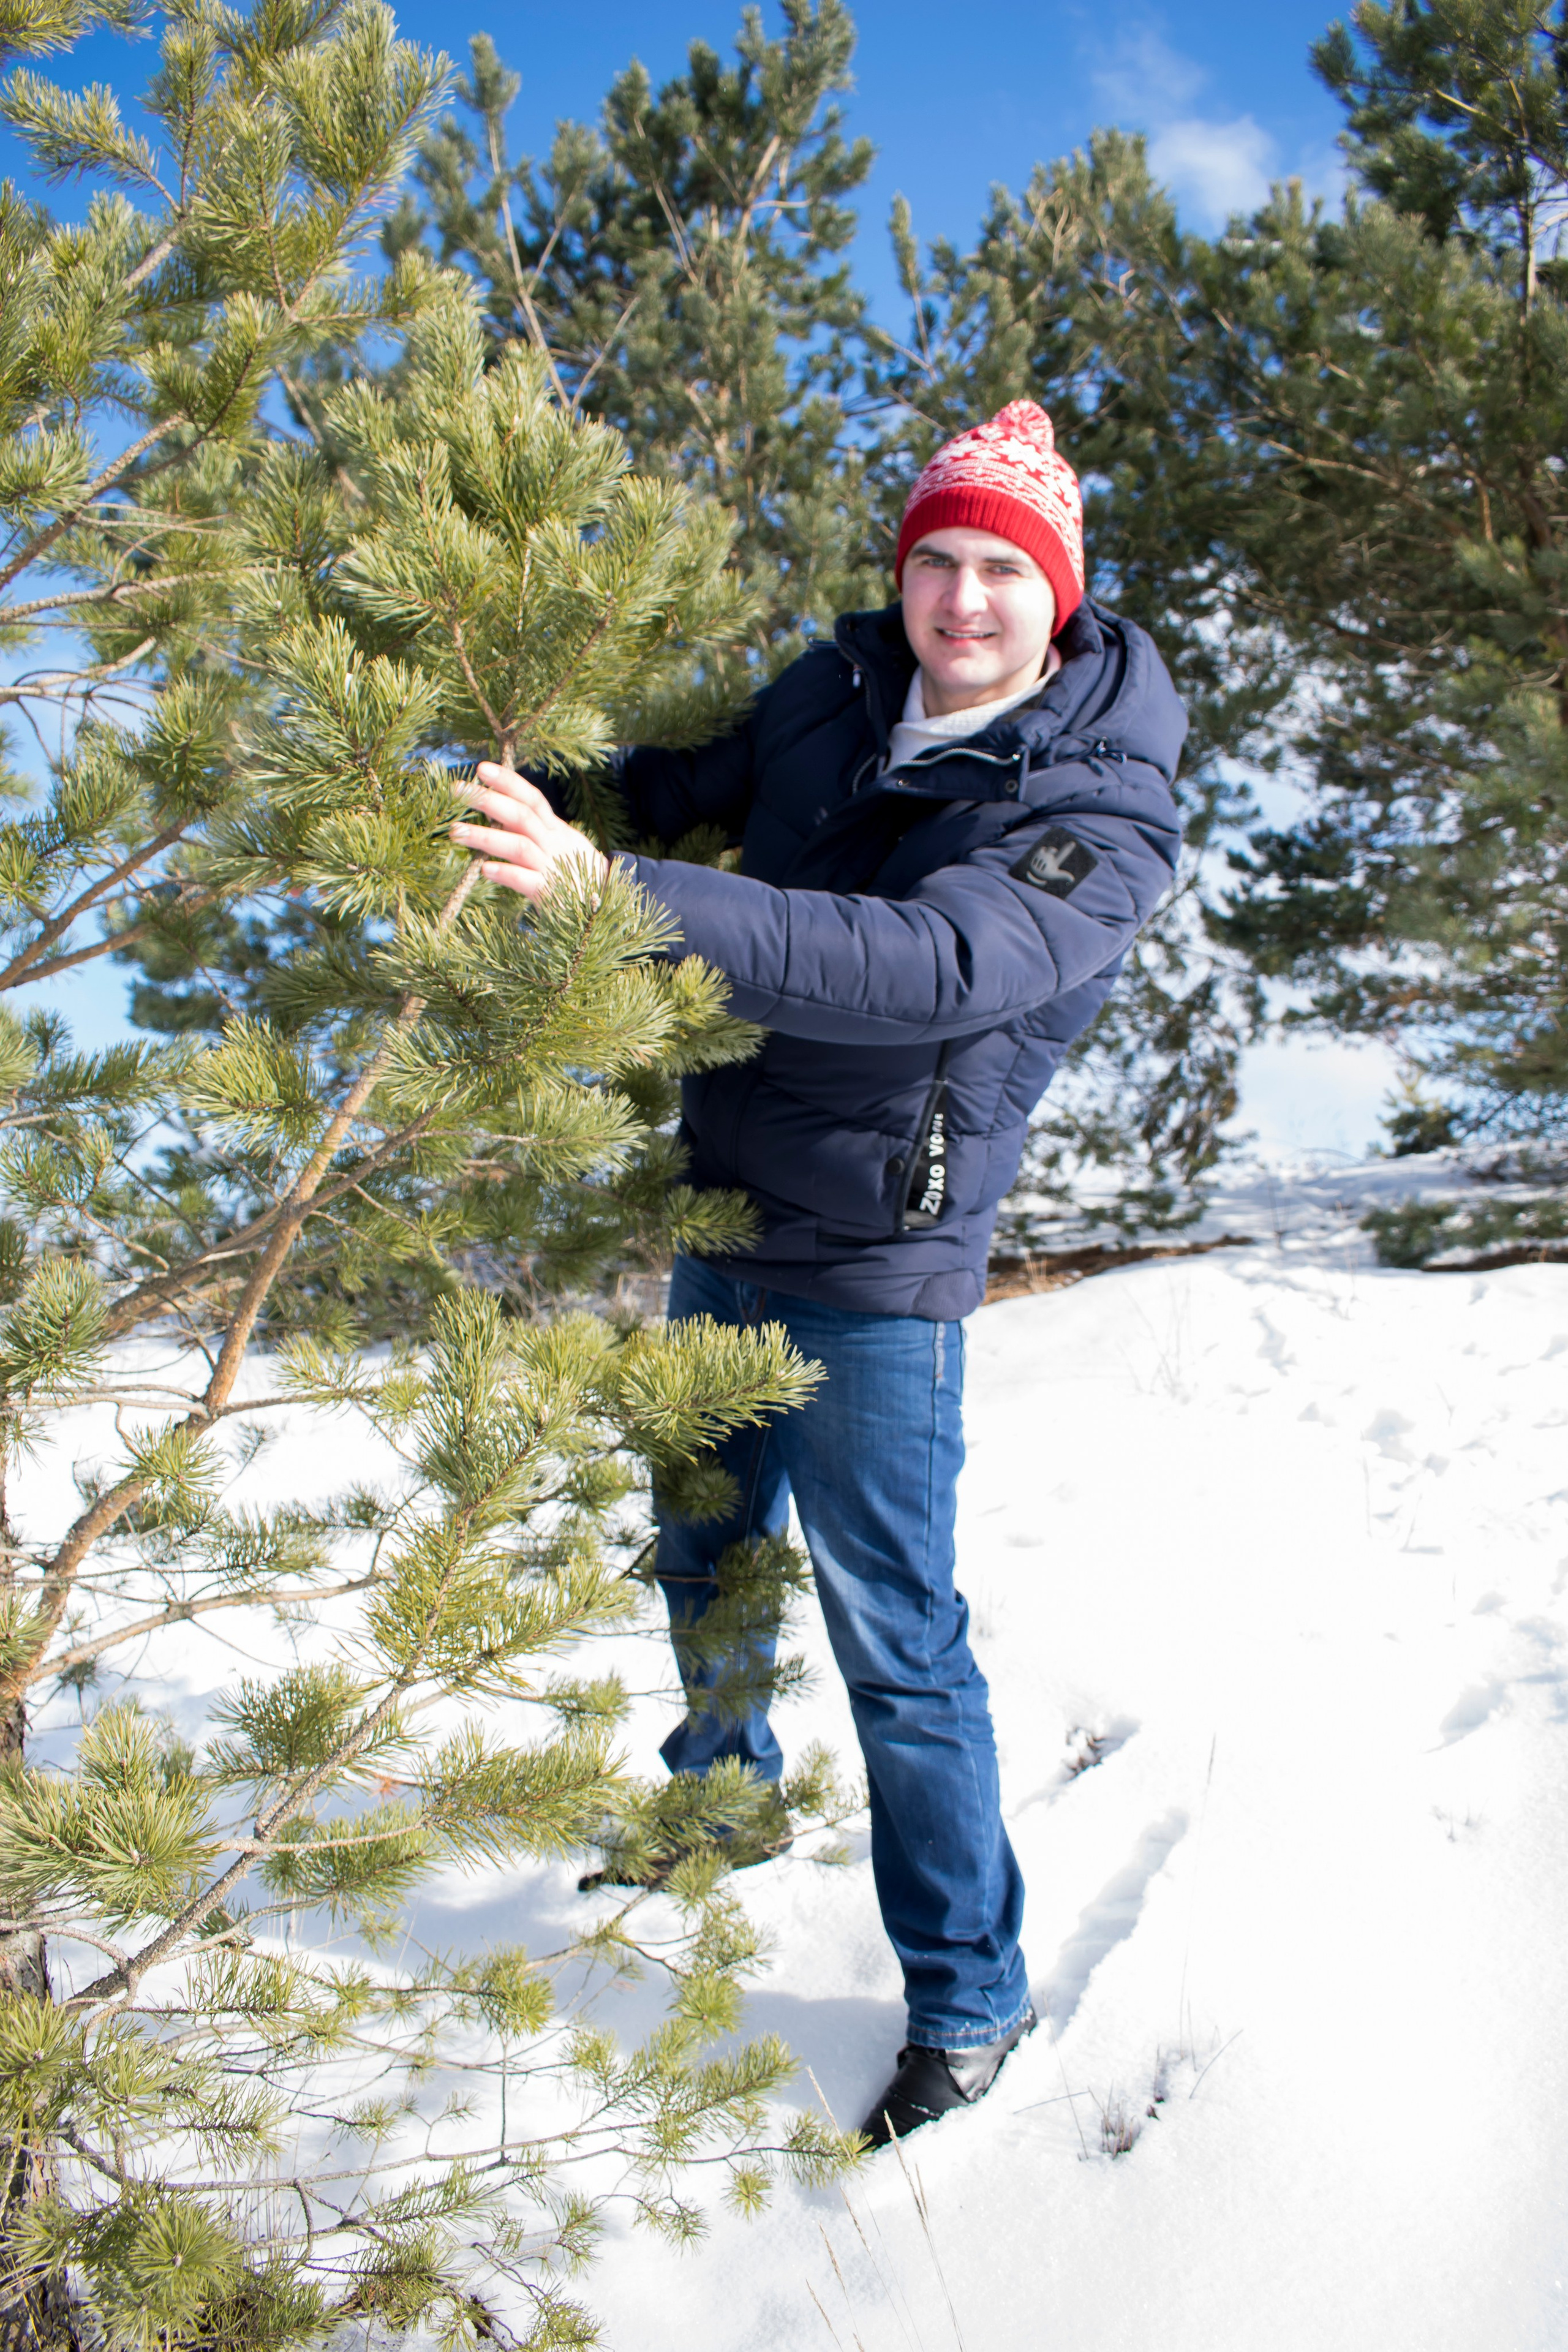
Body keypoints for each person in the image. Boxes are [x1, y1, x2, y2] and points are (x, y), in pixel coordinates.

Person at [450, 401, 1186, 2145]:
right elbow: (682, 785)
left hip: (879, 1260)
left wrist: (609, 892)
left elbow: (927, 964)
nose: (962, 600)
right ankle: (722, 1800)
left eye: (1003, 568)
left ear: (1060, 597)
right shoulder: (836, 690)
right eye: (937, 559)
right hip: (726, 1208)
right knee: (705, 1544)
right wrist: (513, 792)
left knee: (895, 1642)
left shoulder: (1101, 809)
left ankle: (972, 1997)